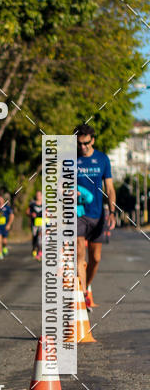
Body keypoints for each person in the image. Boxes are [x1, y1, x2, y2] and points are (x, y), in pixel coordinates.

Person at [75, 124, 116, 306]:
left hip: (98, 214)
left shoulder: (102, 159)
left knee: (96, 258)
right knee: (79, 253)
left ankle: (88, 285)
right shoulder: (70, 159)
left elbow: (110, 188)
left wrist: (112, 212)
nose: (82, 147)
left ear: (93, 140)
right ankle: (83, 293)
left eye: (85, 143)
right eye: (79, 144)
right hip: (78, 213)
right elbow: (59, 185)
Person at [26, 190, 43, 260]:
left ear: (42, 196)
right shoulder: (32, 204)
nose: (38, 196)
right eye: (37, 195)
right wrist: (31, 214)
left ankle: (39, 251)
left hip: (42, 223)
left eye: (39, 195)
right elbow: (27, 212)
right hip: (34, 223)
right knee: (35, 237)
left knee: (40, 236)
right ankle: (34, 248)